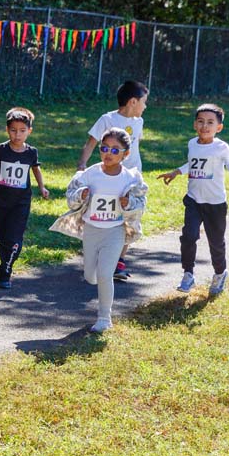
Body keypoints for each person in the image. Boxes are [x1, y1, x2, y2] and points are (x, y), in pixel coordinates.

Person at [157, 103, 229, 296]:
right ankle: (188, 274)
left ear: (218, 127)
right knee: (188, 236)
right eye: (201, 121)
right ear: (195, 124)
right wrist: (177, 172)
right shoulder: (192, 144)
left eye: (210, 122)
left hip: (215, 204)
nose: (205, 126)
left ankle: (220, 273)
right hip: (194, 200)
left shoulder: (221, 147)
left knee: (216, 242)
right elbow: (193, 163)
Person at [67, 128, 146, 334]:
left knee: (105, 274)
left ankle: (104, 317)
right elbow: (71, 197)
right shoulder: (90, 173)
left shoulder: (130, 178)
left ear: (125, 154)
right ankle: (97, 286)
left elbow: (140, 204)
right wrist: (81, 194)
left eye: (114, 150)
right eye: (104, 148)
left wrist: (128, 203)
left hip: (115, 230)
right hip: (92, 229)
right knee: (90, 276)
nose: (108, 153)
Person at [77, 80, 150, 281]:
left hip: (131, 179)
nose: (145, 106)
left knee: (130, 215)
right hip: (108, 177)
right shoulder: (107, 119)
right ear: (133, 101)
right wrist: (82, 165)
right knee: (106, 214)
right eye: (144, 101)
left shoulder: (139, 122)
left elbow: (134, 147)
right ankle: (99, 252)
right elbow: (92, 142)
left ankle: (119, 260)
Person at [0, 107, 49, 289]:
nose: (17, 135)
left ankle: (5, 270)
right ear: (7, 130)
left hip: (21, 201)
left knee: (14, 237)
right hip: (1, 201)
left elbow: (36, 169)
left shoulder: (31, 152)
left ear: (29, 131)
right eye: (13, 130)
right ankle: (4, 262)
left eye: (22, 131)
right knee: (2, 236)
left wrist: (42, 188)